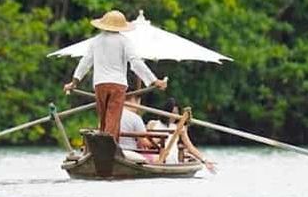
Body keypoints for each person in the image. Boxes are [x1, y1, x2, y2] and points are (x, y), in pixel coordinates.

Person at [63, 10, 167, 141]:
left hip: (100, 84)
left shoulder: (95, 41)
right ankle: (108, 145)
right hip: (118, 84)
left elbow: (85, 63)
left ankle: (104, 144)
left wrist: (74, 82)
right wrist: (154, 81)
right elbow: (135, 62)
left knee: (104, 120)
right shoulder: (124, 41)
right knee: (113, 118)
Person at [148, 98, 216, 172]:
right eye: (171, 113)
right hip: (155, 159)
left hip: (170, 160)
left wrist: (205, 160)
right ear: (166, 112)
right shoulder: (153, 123)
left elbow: (190, 147)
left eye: (176, 113)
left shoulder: (179, 127)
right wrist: (160, 138)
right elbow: (146, 143)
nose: (173, 116)